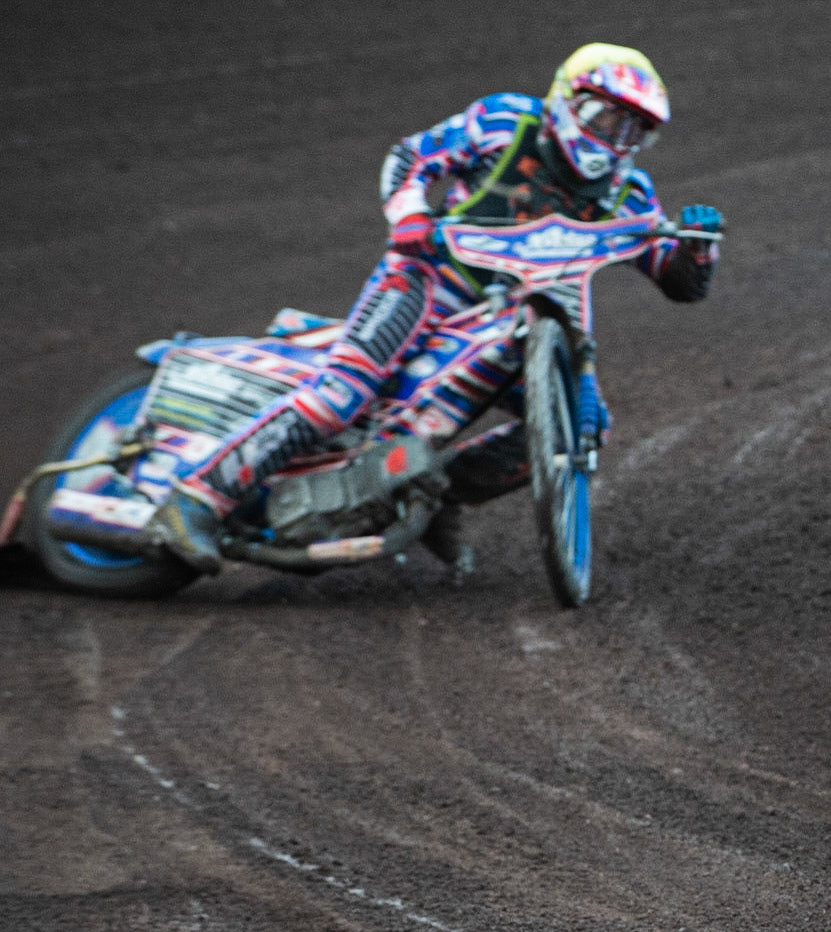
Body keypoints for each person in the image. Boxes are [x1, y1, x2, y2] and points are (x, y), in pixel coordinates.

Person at [146, 43, 723, 572]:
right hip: (427, 281)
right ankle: (196, 499)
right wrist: (411, 220)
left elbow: (679, 280)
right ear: (567, 101)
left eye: (633, 130)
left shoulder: (629, 193)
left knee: (586, 424)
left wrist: (697, 249)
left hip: (516, 321)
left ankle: (429, 491)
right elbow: (410, 159)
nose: (616, 139)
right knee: (344, 392)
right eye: (606, 118)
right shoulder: (505, 123)